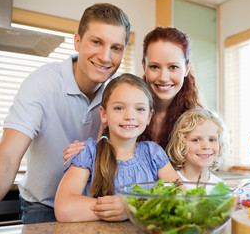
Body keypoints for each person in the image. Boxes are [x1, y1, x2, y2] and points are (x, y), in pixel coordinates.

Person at [0, 3, 131, 224]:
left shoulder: (119, 94)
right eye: (96, 42)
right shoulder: (41, 84)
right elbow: (8, 157)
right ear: (77, 41)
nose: (105, 57)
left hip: (92, 205)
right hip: (43, 205)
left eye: (116, 48)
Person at [54, 74, 180, 222]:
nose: (129, 116)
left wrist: (132, 207)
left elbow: (183, 196)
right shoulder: (87, 153)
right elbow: (64, 208)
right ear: (104, 114)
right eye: (119, 108)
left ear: (149, 117)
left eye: (139, 109)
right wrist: (117, 208)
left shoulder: (153, 153)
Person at [63, 26, 203, 159]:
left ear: (186, 68)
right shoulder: (120, 106)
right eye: (154, 67)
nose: (163, 77)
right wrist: (83, 151)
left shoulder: (197, 121)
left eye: (173, 67)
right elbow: (101, 149)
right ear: (144, 66)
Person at [166, 108, 229, 190]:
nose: (206, 146)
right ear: (181, 144)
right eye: (196, 140)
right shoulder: (169, 184)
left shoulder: (222, 187)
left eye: (212, 140)